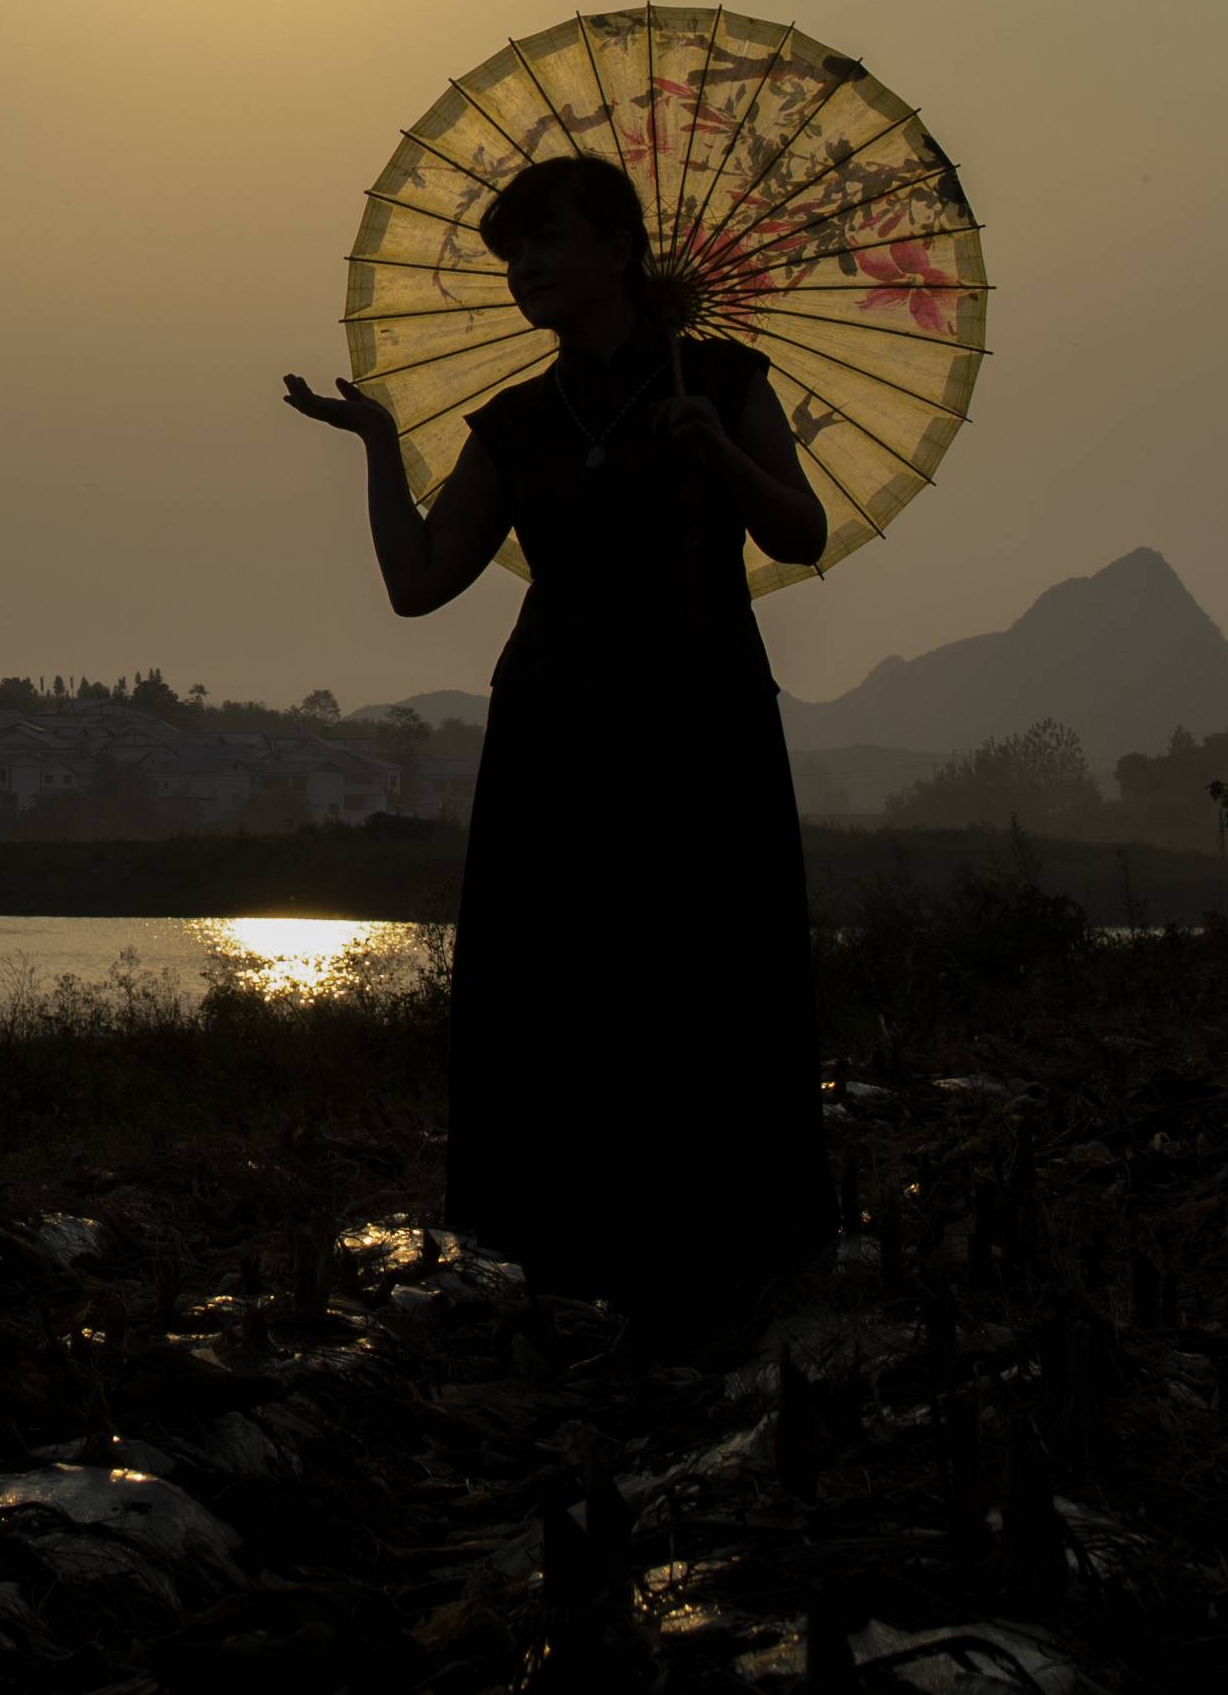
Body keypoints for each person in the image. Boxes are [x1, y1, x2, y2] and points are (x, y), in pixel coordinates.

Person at [280, 152, 837, 1360]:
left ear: (621, 249)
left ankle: (723, 1247)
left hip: (698, 714)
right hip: (557, 722)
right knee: (560, 974)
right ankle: (563, 1250)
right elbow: (418, 584)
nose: (526, 269)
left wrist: (718, 455)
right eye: (510, 253)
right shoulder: (518, 422)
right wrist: (378, 446)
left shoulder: (725, 380)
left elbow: (800, 534)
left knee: (706, 963)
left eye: (547, 241)